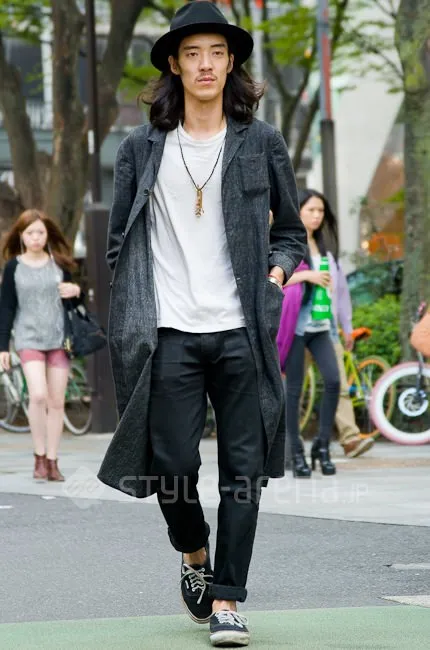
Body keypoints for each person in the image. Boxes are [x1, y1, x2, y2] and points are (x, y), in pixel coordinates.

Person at [97, 2, 307, 646]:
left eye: (216, 52)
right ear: (174, 64)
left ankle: (227, 599)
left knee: (244, 470)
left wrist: (274, 280)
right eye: (192, 53)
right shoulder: (141, 147)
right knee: (170, 462)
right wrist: (138, 301)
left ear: (231, 60)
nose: (206, 64)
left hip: (241, 330)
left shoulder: (261, 141)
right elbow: (119, 240)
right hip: (169, 333)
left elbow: (291, 232)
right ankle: (193, 553)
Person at [0, 209, 81, 482]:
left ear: (47, 235)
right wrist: (2, 347)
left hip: (59, 339)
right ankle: (39, 454)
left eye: (40, 232)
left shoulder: (59, 264)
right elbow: (6, 308)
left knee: (57, 401)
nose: (35, 237)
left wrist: (76, 292)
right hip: (28, 338)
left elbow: (74, 304)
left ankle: (52, 461)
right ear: (21, 236)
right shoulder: (13, 267)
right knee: (38, 395)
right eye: (30, 233)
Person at [278, 189, 341, 478]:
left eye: (321, 211)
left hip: (320, 324)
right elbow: (273, 276)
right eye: (311, 210)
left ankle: (322, 446)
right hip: (296, 326)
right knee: (294, 391)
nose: (317, 216)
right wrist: (307, 275)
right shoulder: (288, 241)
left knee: (333, 381)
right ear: (298, 211)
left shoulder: (324, 245)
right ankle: (296, 453)